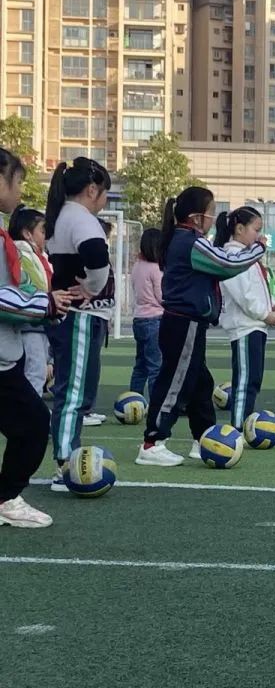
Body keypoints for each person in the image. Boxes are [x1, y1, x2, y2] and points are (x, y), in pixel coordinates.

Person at [138, 187, 266, 466]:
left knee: (200, 382)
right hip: (184, 321)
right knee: (175, 382)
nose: (213, 218)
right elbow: (228, 264)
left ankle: (205, 438)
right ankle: (152, 442)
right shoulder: (191, 242)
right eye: (211, 212)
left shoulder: (185, 239)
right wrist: (258, 248)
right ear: (197, 217)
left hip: (188, 322)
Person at [0, 148, 71, 527]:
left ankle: (5, 497)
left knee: (30, 424)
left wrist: (48, 304)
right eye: (18, 181)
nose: (20, 190)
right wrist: (45, 303)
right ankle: (6, 498)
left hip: (5, 357)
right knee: (31, 424)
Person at [44, 157, 115, 491]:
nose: (104, 202)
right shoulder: (80, 218)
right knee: (72, 393)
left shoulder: (63, 215)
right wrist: (92, 287)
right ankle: (64, 464)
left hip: (75, 316)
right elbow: (97, 256)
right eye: (104, 194)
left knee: (74, 391)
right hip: (79, 317)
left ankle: (65, 459)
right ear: (91, 190)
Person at [216, 206, 275, 430]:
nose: (260, 235)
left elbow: (256, 288)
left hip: (255, 325)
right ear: (239, 229)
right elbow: (243, 294)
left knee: (253, 379)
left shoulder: (247, 257)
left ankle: (244, 424)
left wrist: (272, 305)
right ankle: (237, 428)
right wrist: (264, 314)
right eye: (256, 229)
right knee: (245, 380)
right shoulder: (233, 256)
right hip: (244, 326)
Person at [10, 207, 53, 396]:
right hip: (29, 322)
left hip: (37, 322)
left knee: (36, 372)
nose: (46, 236)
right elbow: (31, 287)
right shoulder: (21, 255)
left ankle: (30, 408)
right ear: (27, 234)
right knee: (35, 373)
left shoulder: (38, 256)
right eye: (43, 231)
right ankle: (31, 410)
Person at [129, 228, 163, 397]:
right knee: (156, 366)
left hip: (139, 318)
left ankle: (134, 397)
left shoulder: (137, 266)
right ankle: (156, 402)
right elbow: (161, 296)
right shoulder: (155, 269)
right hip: (154, 319)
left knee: (141, 364)